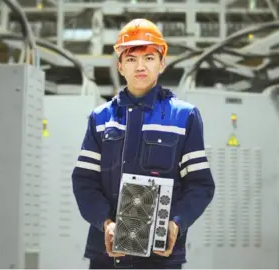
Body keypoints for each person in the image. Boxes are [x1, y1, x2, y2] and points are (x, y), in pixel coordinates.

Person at [72, 18, 215, 269]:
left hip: (160, 257)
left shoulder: (184, 117)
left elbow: (200, 185)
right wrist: (106, 224)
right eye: (131, 59)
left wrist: (176, 224)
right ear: (120, 66)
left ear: (162, 64)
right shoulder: (100, 119)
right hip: (108, 255)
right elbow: (84, 182)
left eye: (149, 58)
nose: (140, 66)